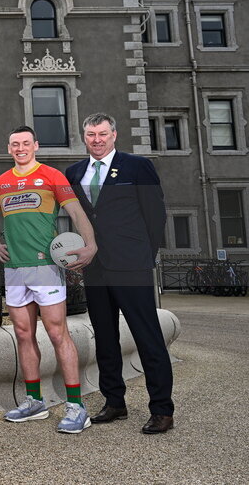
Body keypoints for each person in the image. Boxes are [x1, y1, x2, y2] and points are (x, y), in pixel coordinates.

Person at [0, 126, 97, 434]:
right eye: (14, 143)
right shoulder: (0, 182)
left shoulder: (52, 176)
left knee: (58, 333)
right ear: (9, 148)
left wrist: (90, 244)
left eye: (25, 143)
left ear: (36, 145)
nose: (20, 148)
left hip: (45, 266)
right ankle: (35, 402)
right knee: (23, 333)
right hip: (15, 269)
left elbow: (76, 211)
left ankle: (76, 406)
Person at [65, 113, 174, 434]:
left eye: (102, 134)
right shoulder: (74, 173)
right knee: (106, 339)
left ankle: (162, 410)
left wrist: (143, 256)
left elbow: (156, 217)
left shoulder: (138, 167)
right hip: (95, 268)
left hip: (132, 267)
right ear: (83, 137)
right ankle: (115, 402)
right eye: (90, 134)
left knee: (148, 337)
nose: (96, 140)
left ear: (114, 135)